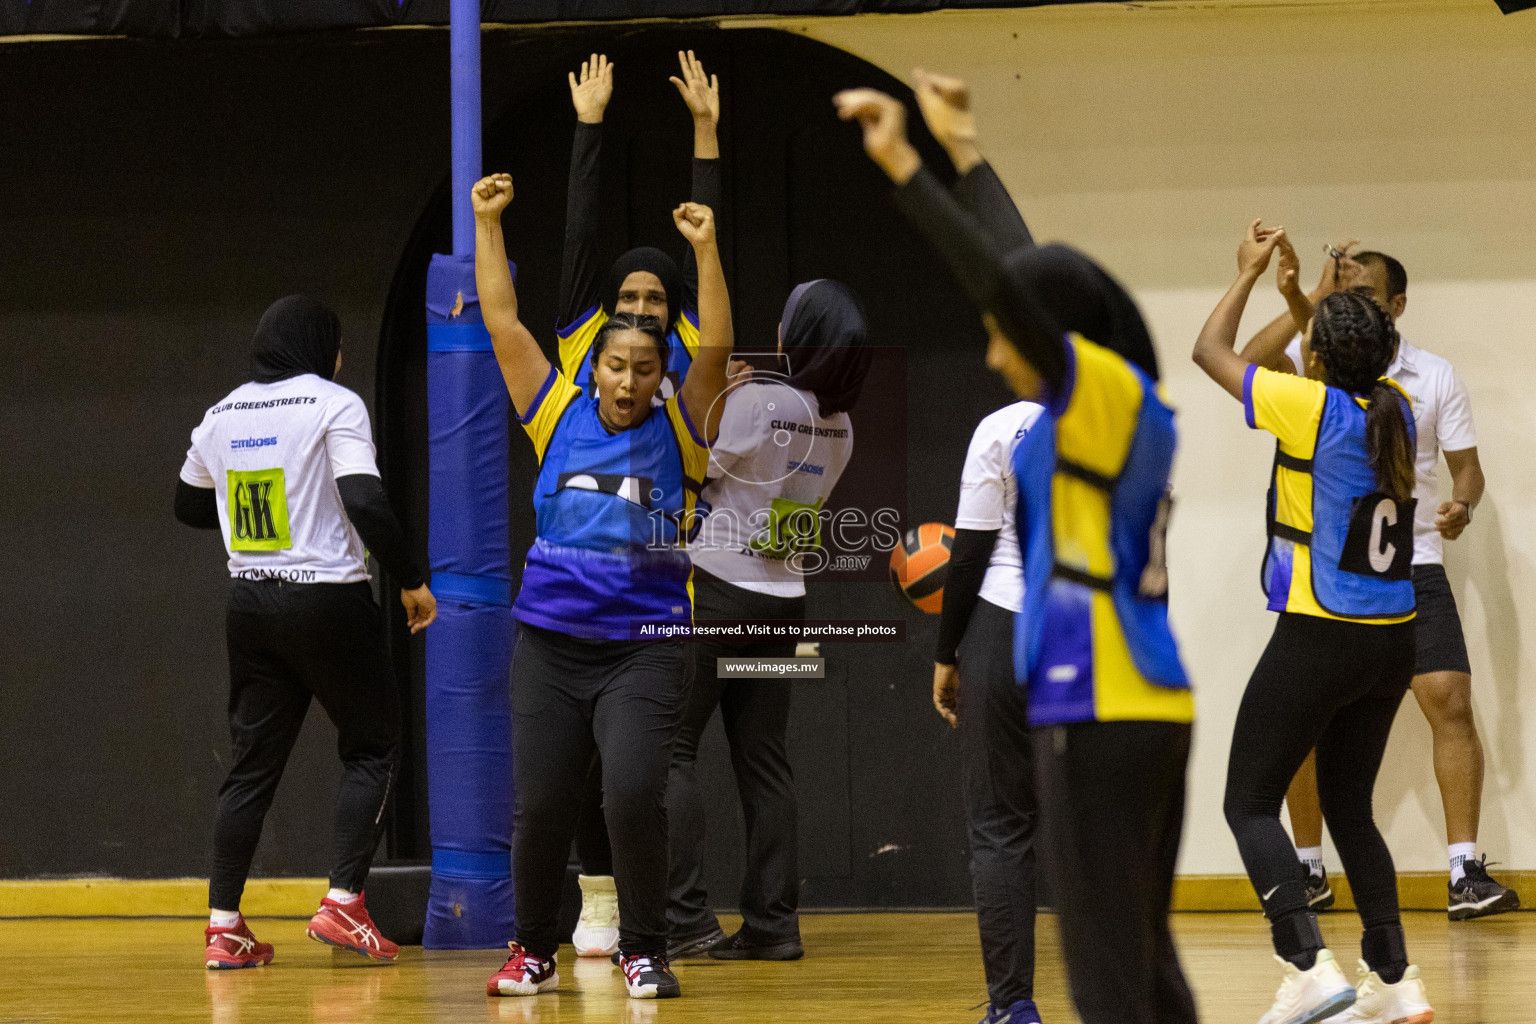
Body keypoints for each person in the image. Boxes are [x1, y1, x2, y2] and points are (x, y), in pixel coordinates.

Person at [838, 72, 1197, 1024]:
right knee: (1146, 955)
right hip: (1153, 695)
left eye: (1005, 339)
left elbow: (1011, 279)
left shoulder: (1095, 403)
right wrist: (964, 148)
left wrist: (912, 167)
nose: (996, 355)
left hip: (1100, 700)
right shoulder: (1137, 404)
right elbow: (1037, 274)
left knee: (1107, 975)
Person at [469, 172, 732, 1000]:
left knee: (629, 798)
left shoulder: (685, 432)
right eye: (615, 365)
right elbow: (502, 319)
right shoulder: (552, 410)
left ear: (662, 376)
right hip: (548, 645)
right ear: (596, 371)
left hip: (644, 652)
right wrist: (488, 225)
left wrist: (707, 248)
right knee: (541, 807)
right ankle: (531, 950)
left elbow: (718, 347)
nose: (626, 381)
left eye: (643, 369)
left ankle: (645, 948)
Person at [1195, 221, 1435, 1024]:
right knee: (1351, 808)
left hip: (1319, 632)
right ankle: (1397, 982)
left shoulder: (1311, 410)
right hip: (1392, 639)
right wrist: (1313, 302)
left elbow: (1214, 351)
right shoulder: (1395, 407)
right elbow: (1321, 360)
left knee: (1249, 803)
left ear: (1319, 358)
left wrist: (1254, 276)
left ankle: (1305, 966)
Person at [1242, 248, 1516, 921]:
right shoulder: (1317, 373)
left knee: (1448, 696)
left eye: (1363, 292)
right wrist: (1302, 295)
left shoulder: (1431, 376)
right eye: (1344, 291)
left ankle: (1463, 871)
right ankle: (1308, 870)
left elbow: (1467, 469)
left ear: (1396, 307)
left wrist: (1463, 503)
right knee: (1302, 722)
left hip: (1411, 563)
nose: (1352, 299)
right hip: (1327, 575)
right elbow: (1246, 359)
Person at [175, 295, 437, 969]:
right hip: (327, 602)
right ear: (318, 346)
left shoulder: (222, 414)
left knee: (250, 769)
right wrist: (411, 576)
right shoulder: (333, 403)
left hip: (251, 606)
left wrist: (258, 517)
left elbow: (189, 504)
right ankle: (345, 902)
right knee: (374, 747)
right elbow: (365, 499)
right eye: (338, 344)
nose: (343, 357)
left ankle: (223, 926)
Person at [560, 50, 725, 958]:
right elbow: (582, 249)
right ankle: (599, 904)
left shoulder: (687, 361)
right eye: (629, 299)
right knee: (579, 766)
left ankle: (673, 918)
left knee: (651, 766)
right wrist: (589, 129)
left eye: (655, 299)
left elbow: (708, 249)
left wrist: (705, 135)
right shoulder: (592, 351)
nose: (642, 309)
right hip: (577, 584)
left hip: (662, 597)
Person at [667, 279, 873, 962]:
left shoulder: (758, 400)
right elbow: (789, 509)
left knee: (672, 749)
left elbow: (701, 457)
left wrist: (716, 393)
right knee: (764, 763)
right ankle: (774, 927)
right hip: (784, 601)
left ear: (798, 335)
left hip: (719, 592)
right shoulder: (841, 426)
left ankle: (686, 918)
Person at [933, 396, 1044, 1024]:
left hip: (1004, 628)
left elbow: (970, 551)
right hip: (1096, 633)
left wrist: (947, 652)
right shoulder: (1137, 418)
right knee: (1105, 832)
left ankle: (1014, 1006)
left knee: (1001, 829)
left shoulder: (1003, 425)